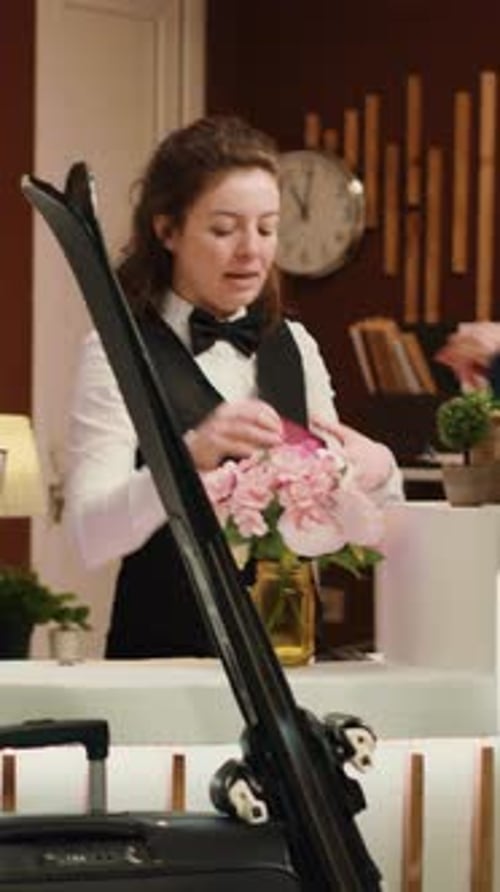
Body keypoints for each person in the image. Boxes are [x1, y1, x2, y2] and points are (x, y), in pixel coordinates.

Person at [65, 115, 404, 659]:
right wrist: (191, 457)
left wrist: (380, 468)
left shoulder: (294, 344)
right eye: (224, 230)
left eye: (267, 228)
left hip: (288, 666)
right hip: (163, 667)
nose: (251, 251)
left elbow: (355, 521)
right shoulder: (117, 351)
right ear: (167, 229)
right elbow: (89, 536)